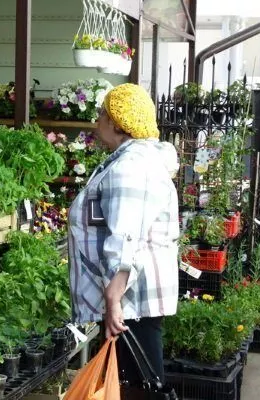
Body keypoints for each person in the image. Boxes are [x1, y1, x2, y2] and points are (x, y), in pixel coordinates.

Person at [67, 83, 180, 387]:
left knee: (139, 385)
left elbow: (126, 237)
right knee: (135, 383)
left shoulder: (130, 166)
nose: (97, 122)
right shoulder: (131, 161)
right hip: (130, 300)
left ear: (117, 122)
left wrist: (113, 300)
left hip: (131, 301)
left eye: (101, 114)